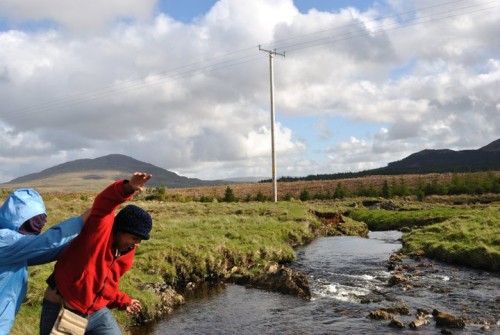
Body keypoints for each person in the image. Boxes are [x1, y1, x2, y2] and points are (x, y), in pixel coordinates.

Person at [40, 172, 153, 335]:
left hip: (96, 312)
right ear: (120, 231)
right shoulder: (99, 231)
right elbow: (104, 203)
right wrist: (128, 188)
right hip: (64, 307)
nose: (137, 244)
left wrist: (124, 301)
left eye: (141, 239)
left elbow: (104, 283)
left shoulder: (127, 250)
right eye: (134, 237)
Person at [0, 188, 88, 334]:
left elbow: (43, 252)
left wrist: (76, 244)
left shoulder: (14, 250)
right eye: (30, 226)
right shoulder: (5, 242)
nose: (32, 234)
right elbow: (46, 242)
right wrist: (84, 218)